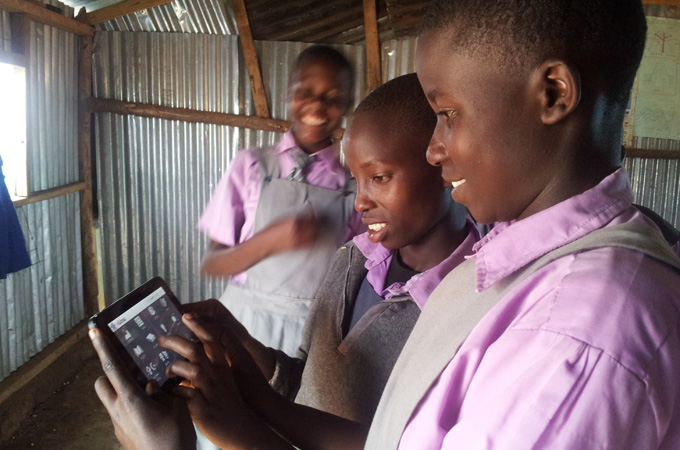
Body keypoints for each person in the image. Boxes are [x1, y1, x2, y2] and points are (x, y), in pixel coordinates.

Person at [89, 73, 480, 449]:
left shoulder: (470, 309)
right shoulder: (353, 258)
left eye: (379, 177)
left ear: (443, 162)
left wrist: (241, 436)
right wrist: (247, 354)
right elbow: (305, 378)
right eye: (356, 180)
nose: (360, 202)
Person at [362, 0, 680, 449]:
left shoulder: (578, 327)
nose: (433, 149)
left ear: (553, 94)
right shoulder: (520, 260)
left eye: (448, 114)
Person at [197, 45, 364, 357]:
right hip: (242, 323)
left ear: (346, 104)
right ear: (290, 93)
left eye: (331, 96)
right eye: (306, 91)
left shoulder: (353, 191)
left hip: (311, 333)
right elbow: (211, 264)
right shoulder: (251, 167)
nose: (317, 104)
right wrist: (269, 242)